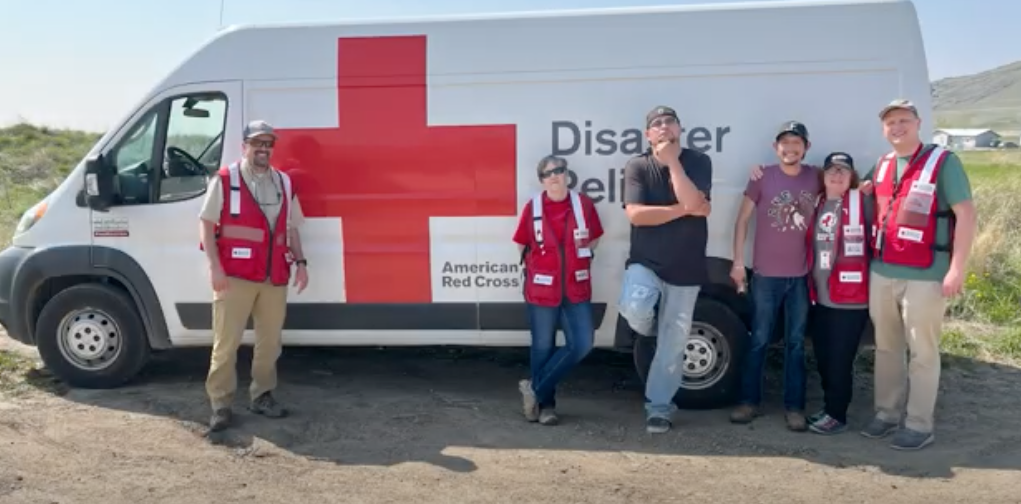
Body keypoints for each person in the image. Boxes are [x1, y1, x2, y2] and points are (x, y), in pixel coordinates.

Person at [859, 99, 976, 451]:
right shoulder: (881, 165)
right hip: (882, 270)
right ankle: (886, 413)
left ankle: (919, 424)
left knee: (922, 351)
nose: (897, 127)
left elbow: (967, 216)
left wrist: (957, 268)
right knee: (887, 348)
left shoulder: (944, 162)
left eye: (903, 121)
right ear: (883, 128)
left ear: (918, 122)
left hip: (926, 274)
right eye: (890, 122)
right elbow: (861, 192)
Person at [198, 119, 310, 432]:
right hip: (234, 276)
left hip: (274, 277)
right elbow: (206, 225)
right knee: (226, 344)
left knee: (269, 343)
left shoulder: (285, 183)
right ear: (244, 146)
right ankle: (220, 405)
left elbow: (292, 227)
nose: (263, 148)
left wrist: (301, 263)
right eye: (257, 142)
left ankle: (262, 396)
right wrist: (215, 268)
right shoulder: (225, 180)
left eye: (268, 143)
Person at [618, 106, 713, 434]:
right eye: (655, 124)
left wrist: (673, 162)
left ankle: (658, 408)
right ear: (648, 134)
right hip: (646, 261)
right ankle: (648, 330)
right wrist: (684, 210)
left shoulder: (698, 161)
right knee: (635, 307)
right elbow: (636, 215)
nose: (663, 127)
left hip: (686, 267)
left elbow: (699, 203)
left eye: (668, 121)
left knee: (674, 344)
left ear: (679, 128)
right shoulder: (637, 166)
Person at [729, 121, 821, 432]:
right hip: (766, 276)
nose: (790, 148)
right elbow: (742, 220)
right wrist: (738, 261)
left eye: (797, 143)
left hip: (801, 276)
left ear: (806, 147)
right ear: (775, 147)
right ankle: (748, 402)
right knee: (759, 340)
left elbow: (843, 184)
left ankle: (794, 408)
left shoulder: (816, 176)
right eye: (785, 143)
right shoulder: (762, 177)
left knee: (796, 344)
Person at [513, 155, 604, 426]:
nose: (554, 176)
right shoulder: (533, 207)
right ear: (541, 180)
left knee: (583, 343)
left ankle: (534, 389)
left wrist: (579, 258)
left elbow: (595, 236)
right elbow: (521, 243)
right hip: (542, 290)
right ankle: (546, 407)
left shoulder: (583, 204)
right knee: (543, 347)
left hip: (575, 288)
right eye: (547, 173)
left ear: (567, 175)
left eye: (559, 171)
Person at [803, 152, 873, 435]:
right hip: (821, 296)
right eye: (832, 170)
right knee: (822, 355)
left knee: (839, 359)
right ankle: (830, 407)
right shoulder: (818, 202)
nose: (837, 175)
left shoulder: (863, 202)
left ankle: (837, 415)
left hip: (851, 299)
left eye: (844, 171)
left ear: (852, 176)